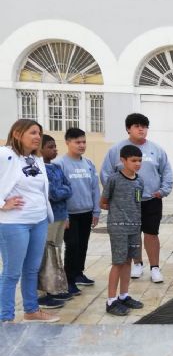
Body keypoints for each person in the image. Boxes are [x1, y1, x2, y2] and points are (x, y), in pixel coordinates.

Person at [101, 113, 173, 283]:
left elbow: (167, 172)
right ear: (128, 129)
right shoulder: (116, 150)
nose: (141, 129)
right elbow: (106, 174)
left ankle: (154, 267)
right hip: (126, 202)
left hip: (151, 199)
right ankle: (137, 263)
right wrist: (114, 196)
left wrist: (163, 190)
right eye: (136, 126)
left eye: (144, 126)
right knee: (133, 233)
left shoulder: (157, 149)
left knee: (151, 233)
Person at [0, 119, 59, 323]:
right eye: (33, 132)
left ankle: (31, 310)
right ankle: (5, 317)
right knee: (11, 272)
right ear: (17, 133)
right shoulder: (5, 154)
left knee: (32, 269)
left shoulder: (36, 158)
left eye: (39, 133)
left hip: (39, 220)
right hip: (14, 223)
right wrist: (1, 203)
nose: (37, 137)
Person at [100, 145, 145, 316]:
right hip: (118, 227)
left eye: (139, 161)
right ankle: (111, 301)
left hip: (134, 227)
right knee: (118, 262)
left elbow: (137, 202)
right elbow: (103, 202)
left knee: (128, 261)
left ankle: (124, 296)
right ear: (123, 160)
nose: (137, 164)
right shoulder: (113, 179)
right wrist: (118, 213)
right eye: (133, 160)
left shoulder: (140, 181)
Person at [56, 127, 101, 295]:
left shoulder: (88, 163)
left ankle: (79, 273)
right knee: (72, 245)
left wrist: (96, 212)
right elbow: (59, 192)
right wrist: (64, 215)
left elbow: (94, 188)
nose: (81, 145)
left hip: (86, 212)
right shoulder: (59, 164)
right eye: (77, 142)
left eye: (83, 142)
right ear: (68, 142)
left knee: (83, 245)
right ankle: (69, 280)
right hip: (70, 215)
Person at [38, 135, 73, 309]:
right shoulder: (40, 169)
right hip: (49, 217)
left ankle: (55, 287)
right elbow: (53, 193)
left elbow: (69, 188)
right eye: (50, 147)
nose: (55, 150)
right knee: (46, 253)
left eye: (55, 147)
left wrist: (63, 191)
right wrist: (63, 191)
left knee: (56, 251)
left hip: (60, 216)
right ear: (40, 149)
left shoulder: (57, 167)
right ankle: (43, 292)